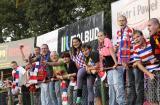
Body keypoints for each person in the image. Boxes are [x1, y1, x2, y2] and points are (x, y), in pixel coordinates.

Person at [132, 30, 160, 105]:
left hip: (158, 69)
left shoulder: (151, 42)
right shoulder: (136, 48)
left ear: (142, 36)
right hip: (149, 73)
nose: (136, 39)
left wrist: (157, 58)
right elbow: (139, 64)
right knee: (152, 98)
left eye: (138, 36)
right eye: (134, 38)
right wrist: (149, 74)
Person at [71, 37, 88, 105]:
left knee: (80, 73)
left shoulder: (83, 49)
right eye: (73, 42)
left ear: (80, 42)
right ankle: (80, 99)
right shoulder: (73, 53)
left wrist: (88, 66)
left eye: (76, 42)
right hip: (80, 71)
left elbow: (88, 57)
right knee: (85, 89)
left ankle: (78, 97)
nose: (75, 43)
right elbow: (76, 64)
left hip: (86, 67)